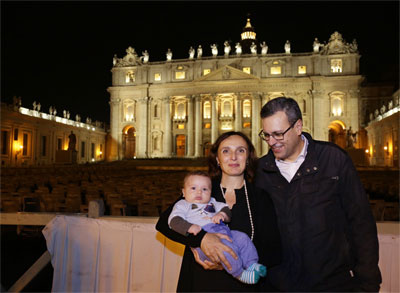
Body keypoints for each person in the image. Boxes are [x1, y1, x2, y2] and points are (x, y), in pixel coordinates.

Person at [256, 97, 382, 291]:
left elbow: (360, 222)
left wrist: (368, 283)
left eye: (278, 134)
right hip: (279, 285)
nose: (272, 142)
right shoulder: (261, 170)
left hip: (332, 283)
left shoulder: (334, 159)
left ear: (298, 127)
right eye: (266, 135)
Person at [156, 131, 281, 292]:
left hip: (244, 287)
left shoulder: (260, 196)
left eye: (240, 151)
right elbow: (164, 224)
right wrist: (201, 240)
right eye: (226, 151)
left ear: (248, 158)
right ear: (217, 159)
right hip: (202, 282)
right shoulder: (201, 190)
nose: (233, 157)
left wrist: (229, 261)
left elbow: (274, 250)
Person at [169, 171, 267, 285]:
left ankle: (251, 264)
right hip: (205, 240)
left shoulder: (213, 202)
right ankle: (240, 274)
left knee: (242, 238)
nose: (199, 192)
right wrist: (189, 227)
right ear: (183, 192)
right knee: (226, 248)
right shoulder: (182, 205)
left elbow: (225, 209)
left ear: (210, 192)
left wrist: (222, 215)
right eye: (193, 188)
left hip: (224, 232)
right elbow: (173, 221)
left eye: (205, 189)